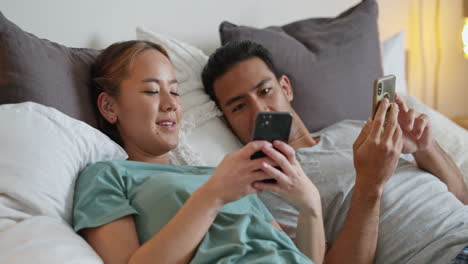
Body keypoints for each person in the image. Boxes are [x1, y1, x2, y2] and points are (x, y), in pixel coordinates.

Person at [201, 40, 468, 264]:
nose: (260, 110)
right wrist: (369, 184)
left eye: (265, 91)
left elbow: (460, 197)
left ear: (286, 88)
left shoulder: (356, 128)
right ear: (227, 122)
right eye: (238, 107)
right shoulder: (271, 185)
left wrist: (425, 147)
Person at [72, 40, 326, 264]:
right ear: (108, 106)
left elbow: (296, 257)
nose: (171, 104)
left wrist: (310, 204)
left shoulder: (223, 175)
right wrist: (213, 196)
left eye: (174, 91)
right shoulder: (107, 176)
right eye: (152, 91)